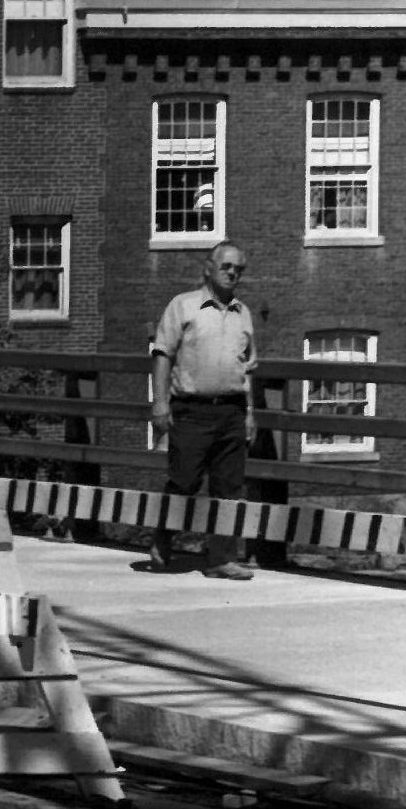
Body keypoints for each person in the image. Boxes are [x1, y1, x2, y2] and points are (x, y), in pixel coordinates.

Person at [144, 241, 258, 580]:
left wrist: (250, 413)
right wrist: (160, 402)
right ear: (208, 268)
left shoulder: (244, 313)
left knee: (229, 487)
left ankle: (220, 558)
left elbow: (247, 368)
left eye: (239, 269)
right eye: (226, 266)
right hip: (191, 410)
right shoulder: (184, 306)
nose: (233, 273)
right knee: (184, 480)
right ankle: (163, 540)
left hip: (232, 412)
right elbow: (162, 354)